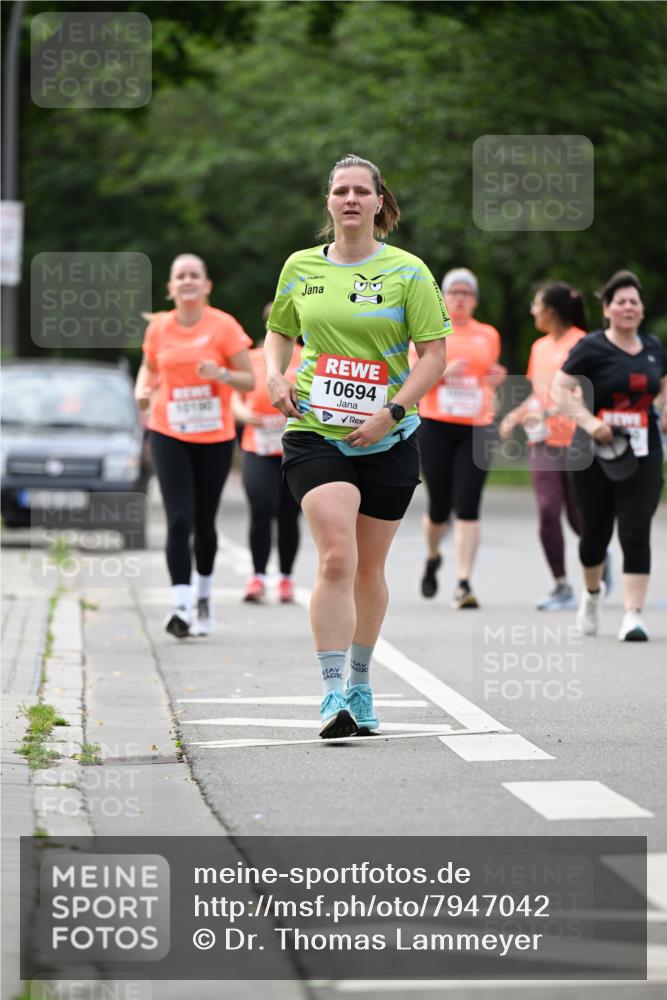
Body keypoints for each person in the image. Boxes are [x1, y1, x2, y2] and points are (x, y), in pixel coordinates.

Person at [264, 153, 449, 738]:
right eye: (339, 190)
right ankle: (329, 694)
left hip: (390, 435)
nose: (349, 199)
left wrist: (391, 410)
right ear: (328, 202)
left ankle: (362, 684)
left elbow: (435, 357)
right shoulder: (299, 267)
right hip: (316, 432)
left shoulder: (409, 272)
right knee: (336, 556)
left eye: (359, 191)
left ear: (376, 202)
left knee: (369, 568)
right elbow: (279, 331)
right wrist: (276, 374)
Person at [135, 254, 253, 638]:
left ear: (206, 286)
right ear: (170, 288)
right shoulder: (159, 329)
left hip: (214, 436)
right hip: (168, 431)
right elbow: (151, 367)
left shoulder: (224, 327)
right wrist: (142, 389)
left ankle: (203, 597)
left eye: (194, 275)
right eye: (180, 276)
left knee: (204, 522)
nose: (187, 281)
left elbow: (249, 381)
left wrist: (220, 373)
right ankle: (180, 606)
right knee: (178, 519)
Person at [552, 270, 667, 641]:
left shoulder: (653, 348)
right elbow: (561, 388)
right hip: (593, 453)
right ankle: (591, 593)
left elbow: (663, 386)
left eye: (634, 301)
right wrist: (588, 422)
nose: (628, 307)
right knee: (595, 534)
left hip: (642, 451)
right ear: (607, 309)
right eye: (621, 301)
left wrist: (663, 411)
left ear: (642, 309)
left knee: (636, 529)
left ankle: (633, 615)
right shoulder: (592, 348)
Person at [416, 268, 506, 608]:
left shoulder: (488, 335)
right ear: (442, 296)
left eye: (466, 293)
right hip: (436, 424)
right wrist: (440, 373)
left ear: (475, 300)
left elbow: (489, 373)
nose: (459, 298)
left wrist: (495, 379)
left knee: (468, 504)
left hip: (477, 425)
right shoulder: (429, 329)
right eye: (453, 292)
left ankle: (463, 582)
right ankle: (432, 554)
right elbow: (411, 376)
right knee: (439, 505)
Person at [500, 282, 587, 610]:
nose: (532, 311)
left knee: (580, 517)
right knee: (549, 511)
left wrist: (556, 409)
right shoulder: (539, 348)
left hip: (579, 441)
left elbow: (584, 391)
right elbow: (539, 394)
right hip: (544, 442)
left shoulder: (583, 342)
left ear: (551, 311)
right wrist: (515, 415)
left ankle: (597, 555)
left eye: (536, 305)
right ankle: (561, 585)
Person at [232, 304, 302, 604]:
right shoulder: (251, 358)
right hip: (258, 444)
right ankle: (258, 577)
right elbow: (232, 395)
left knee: (289, 514)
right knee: (260, 507)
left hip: (296, 445)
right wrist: (243, 414)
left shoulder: (311, 357)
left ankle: (285, 578)